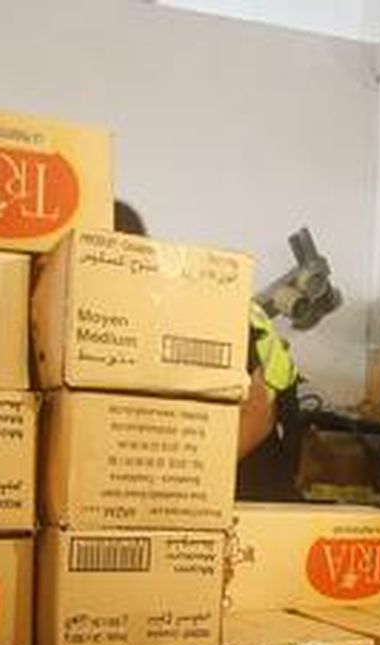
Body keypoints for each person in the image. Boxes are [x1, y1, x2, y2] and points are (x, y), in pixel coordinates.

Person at [112, 200, 301, 499]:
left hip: (254, 482)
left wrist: (172, 490)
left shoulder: (205, 310)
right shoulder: (119, 321)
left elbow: (256, 415)